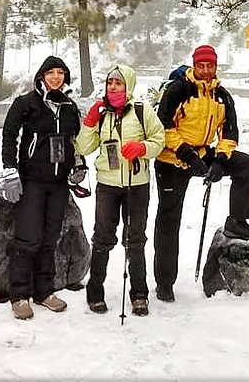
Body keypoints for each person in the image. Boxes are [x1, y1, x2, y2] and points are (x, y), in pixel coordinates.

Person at [153, 44, 249, 304]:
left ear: (215, 67)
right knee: (169, 219)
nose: (205, 70)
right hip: (172, 158)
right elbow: (164, 125)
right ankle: (164, 282)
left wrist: (220, 158)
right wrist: (186, 154)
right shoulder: (179, 89)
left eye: (209, 65)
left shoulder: (222, 96)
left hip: (203, 153)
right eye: (200, 65)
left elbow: (230, 132)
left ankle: (238, 221)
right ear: (194, 65)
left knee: (244, 164)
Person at [76, 64, 165, 316]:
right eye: (110, 83)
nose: (113, 87)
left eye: (118, 83)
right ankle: (95, 291)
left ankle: (139, 294)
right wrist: (90, 122)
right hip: (107, 184)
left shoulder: (141, 110)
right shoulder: (102, 114)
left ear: (128, 85)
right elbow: (83, 147)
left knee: (135, 239)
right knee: (103, 237)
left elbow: (159, 140)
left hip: (137, 184)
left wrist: (142, 148)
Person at [0, 55, 82, 320]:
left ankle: (44, 291)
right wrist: (10, 170)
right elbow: (9, 136)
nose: (56, 77)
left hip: (58, 183)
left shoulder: (69, 106)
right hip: (32, 180)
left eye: (61, 72)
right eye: (51, 72)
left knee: (49, 238)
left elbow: (73, 140)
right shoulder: (26, 103)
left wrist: (78, 165)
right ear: (41, 75)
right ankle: (20, 294)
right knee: (28, 238)